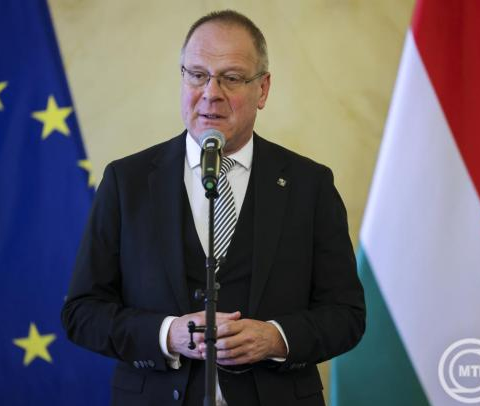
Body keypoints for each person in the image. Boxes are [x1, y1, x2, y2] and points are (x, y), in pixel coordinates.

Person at [62, 10, 365, 406]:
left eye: (232, 78)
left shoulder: (311, 185)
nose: (211, 93)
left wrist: (276, 338)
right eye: (197, 75)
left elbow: (346, 315)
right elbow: (82, 312)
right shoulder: (126, 181)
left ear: (263, 89)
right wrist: (167, 334)